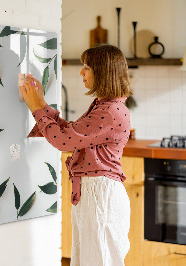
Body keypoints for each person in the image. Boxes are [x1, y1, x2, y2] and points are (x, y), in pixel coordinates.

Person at [19, 44, 132, 266]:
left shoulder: (109, 111)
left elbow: (63, 141)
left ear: (103, 71)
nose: (81, 72)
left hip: (100, 196)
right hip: (94, 194)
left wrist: (35, 108)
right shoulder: (105, 106)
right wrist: (41, 104)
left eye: (87, 67)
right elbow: (71, 133)